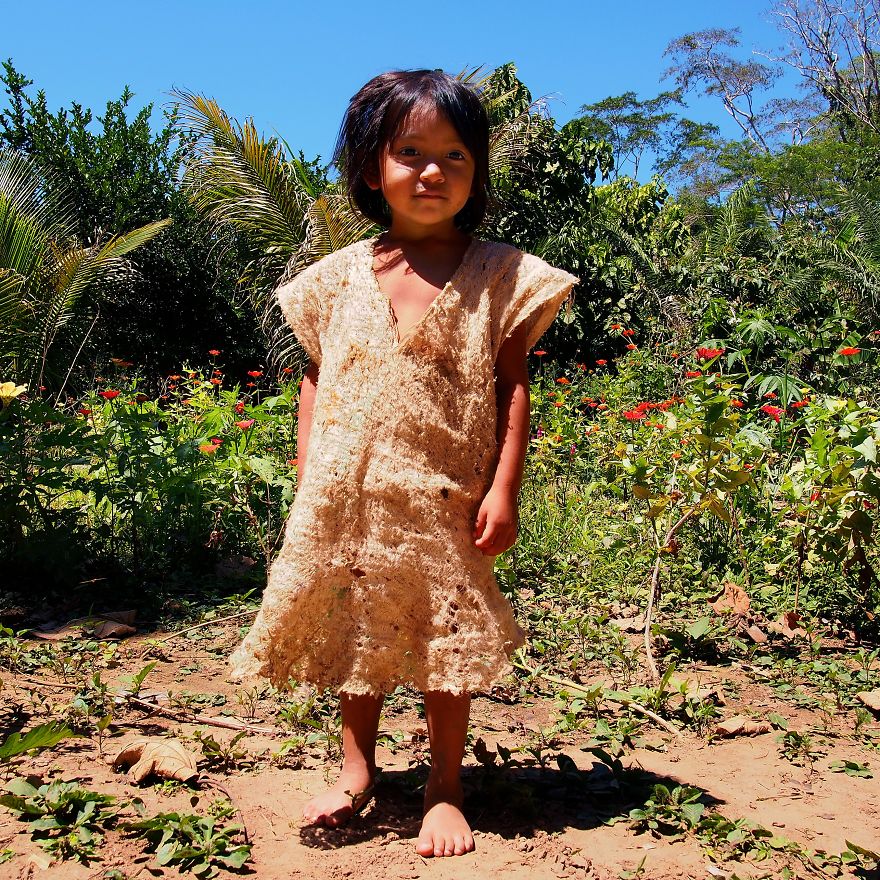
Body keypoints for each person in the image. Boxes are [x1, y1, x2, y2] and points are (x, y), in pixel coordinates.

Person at [230, 69, 578, 858]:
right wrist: (309, 470)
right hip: (350, 498)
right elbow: (317, 377)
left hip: (446, 498)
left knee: (442, 636)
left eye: (454, 155)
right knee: (361, 631)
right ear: (369, 168)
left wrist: (505, 488)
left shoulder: (504, 274)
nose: (432, 171)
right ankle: (358, 771)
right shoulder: (336, 279)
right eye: (410, 152)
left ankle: (445, 787)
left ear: (477, 170)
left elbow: (513, 385)